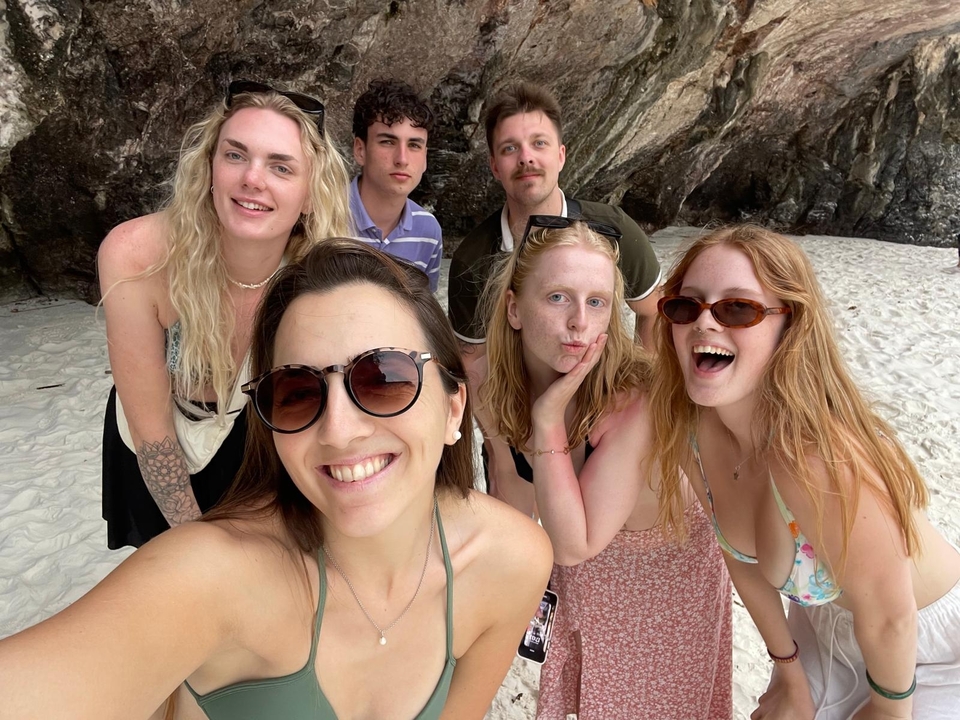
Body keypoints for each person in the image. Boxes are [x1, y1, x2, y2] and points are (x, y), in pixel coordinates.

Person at [0, 239, 554, 720]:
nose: (338, 430)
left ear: (454, 409)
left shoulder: (512, 561)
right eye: (296, 393)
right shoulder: (211, 576)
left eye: (383, 378)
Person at [649, 225, 960, 718]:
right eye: (687, 305)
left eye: (737, 308)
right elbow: (743, 563)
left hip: (931, 646)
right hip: (826, 625)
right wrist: (788, 672)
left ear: (789, 325)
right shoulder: (695, 429)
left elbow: (889, 617)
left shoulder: (818, 458)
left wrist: (888, 709)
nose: (704, 324)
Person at [478, 217, 732, 719]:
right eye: (557, 298)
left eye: (596, 302)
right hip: (584, 589)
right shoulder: (497, 391)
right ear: (514, 309)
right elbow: (515, 498)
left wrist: (547, 419)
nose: (579, 322)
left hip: (665, 592)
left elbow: (576, 542)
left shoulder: (634, 400)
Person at [98, 80, 352, 549]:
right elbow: (152, 435)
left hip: (259, 440)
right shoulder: (138, 255)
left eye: (280, 166)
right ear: (209, 169)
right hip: (156, 436)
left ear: (311, 194)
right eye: (235, 155)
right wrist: (198, 543)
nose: (252, 179)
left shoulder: (321, 276)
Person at [447, 81, 661, 376]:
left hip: (606, 394)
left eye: (539, 143)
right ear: (495, 167)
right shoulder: (472, 260)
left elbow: (655, 311)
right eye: (510, 148)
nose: (526, 157)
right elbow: (473, 363)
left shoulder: (614, 229)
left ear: (560, 155)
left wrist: (643, 395)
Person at [350, 79, 443, 291]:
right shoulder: (322, 217)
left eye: (414, 145)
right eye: (388, 142)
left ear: (425, 158)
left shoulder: (428, 231)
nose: (402, 159)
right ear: (360, 150)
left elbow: (422, 315)